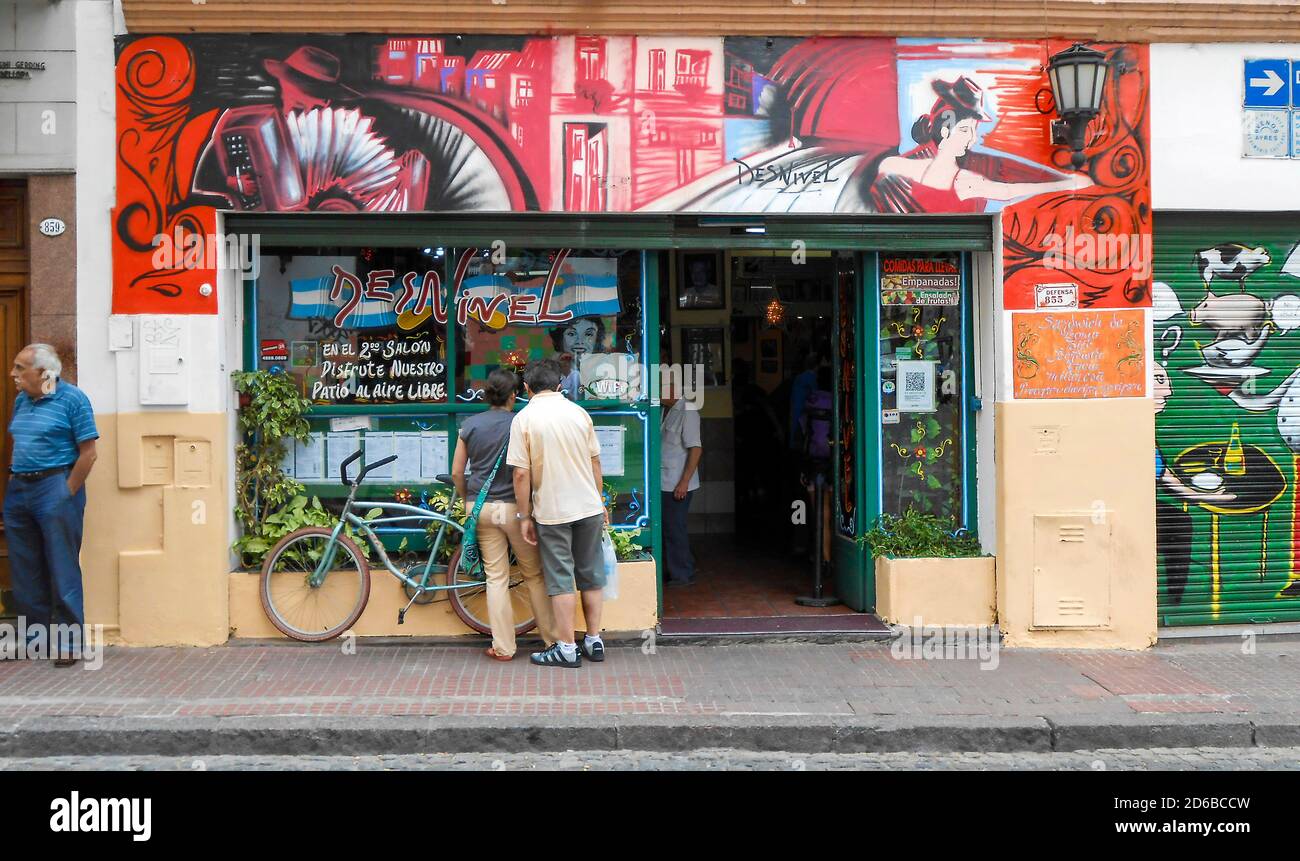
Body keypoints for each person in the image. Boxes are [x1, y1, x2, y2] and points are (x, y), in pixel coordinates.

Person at [452, 368, 559, 661]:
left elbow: (456, 471)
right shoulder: (521, 423)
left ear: (488, 394)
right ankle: (551, 641)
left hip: (482, 507)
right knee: (534, 575)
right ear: (514, 395)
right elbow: (531, 469)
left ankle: (503, 647)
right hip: (515, 509)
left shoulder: (470, 425)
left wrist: (467, 500)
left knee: (496, 577)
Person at [509, 359, 609, 668]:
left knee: (561, 579)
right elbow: (595, 463)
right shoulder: (579, 414)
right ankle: (593, 640)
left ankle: (566, 647)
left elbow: (521, 475)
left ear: (527, 388)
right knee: (591, 575)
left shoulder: (524, 419)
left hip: (553, 511)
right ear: (559, 384)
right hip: (589, 506)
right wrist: (601, 501)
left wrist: (525, 517)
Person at [871, 76, 1092, 213]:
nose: (973, 139)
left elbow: (1009, 190)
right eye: (967, 130)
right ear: (945, 130)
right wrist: (1068, 184)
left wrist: (1065, 184)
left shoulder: (966, 181)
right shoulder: (897, 167)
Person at [5, 344, 99, 666]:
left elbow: (89, 453)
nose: (13, 375)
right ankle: (35, 640)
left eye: (20, 368)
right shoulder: (23, 400)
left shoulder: (73, 399)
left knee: (62, 566)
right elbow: (21, 442)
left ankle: (70, 643)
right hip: (20, 488)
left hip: (54, 487)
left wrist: (67, 492)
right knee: (26, 568)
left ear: (44, 373)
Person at [660, 376, 703, 587]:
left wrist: (684, 482)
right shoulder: (664, 409)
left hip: (677, 482)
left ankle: (682, 575)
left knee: (674, 527)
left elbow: (695, 448)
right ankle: (681, 566)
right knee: (670, 527)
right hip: (663, 479)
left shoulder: (688, 411)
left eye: (660, 387)